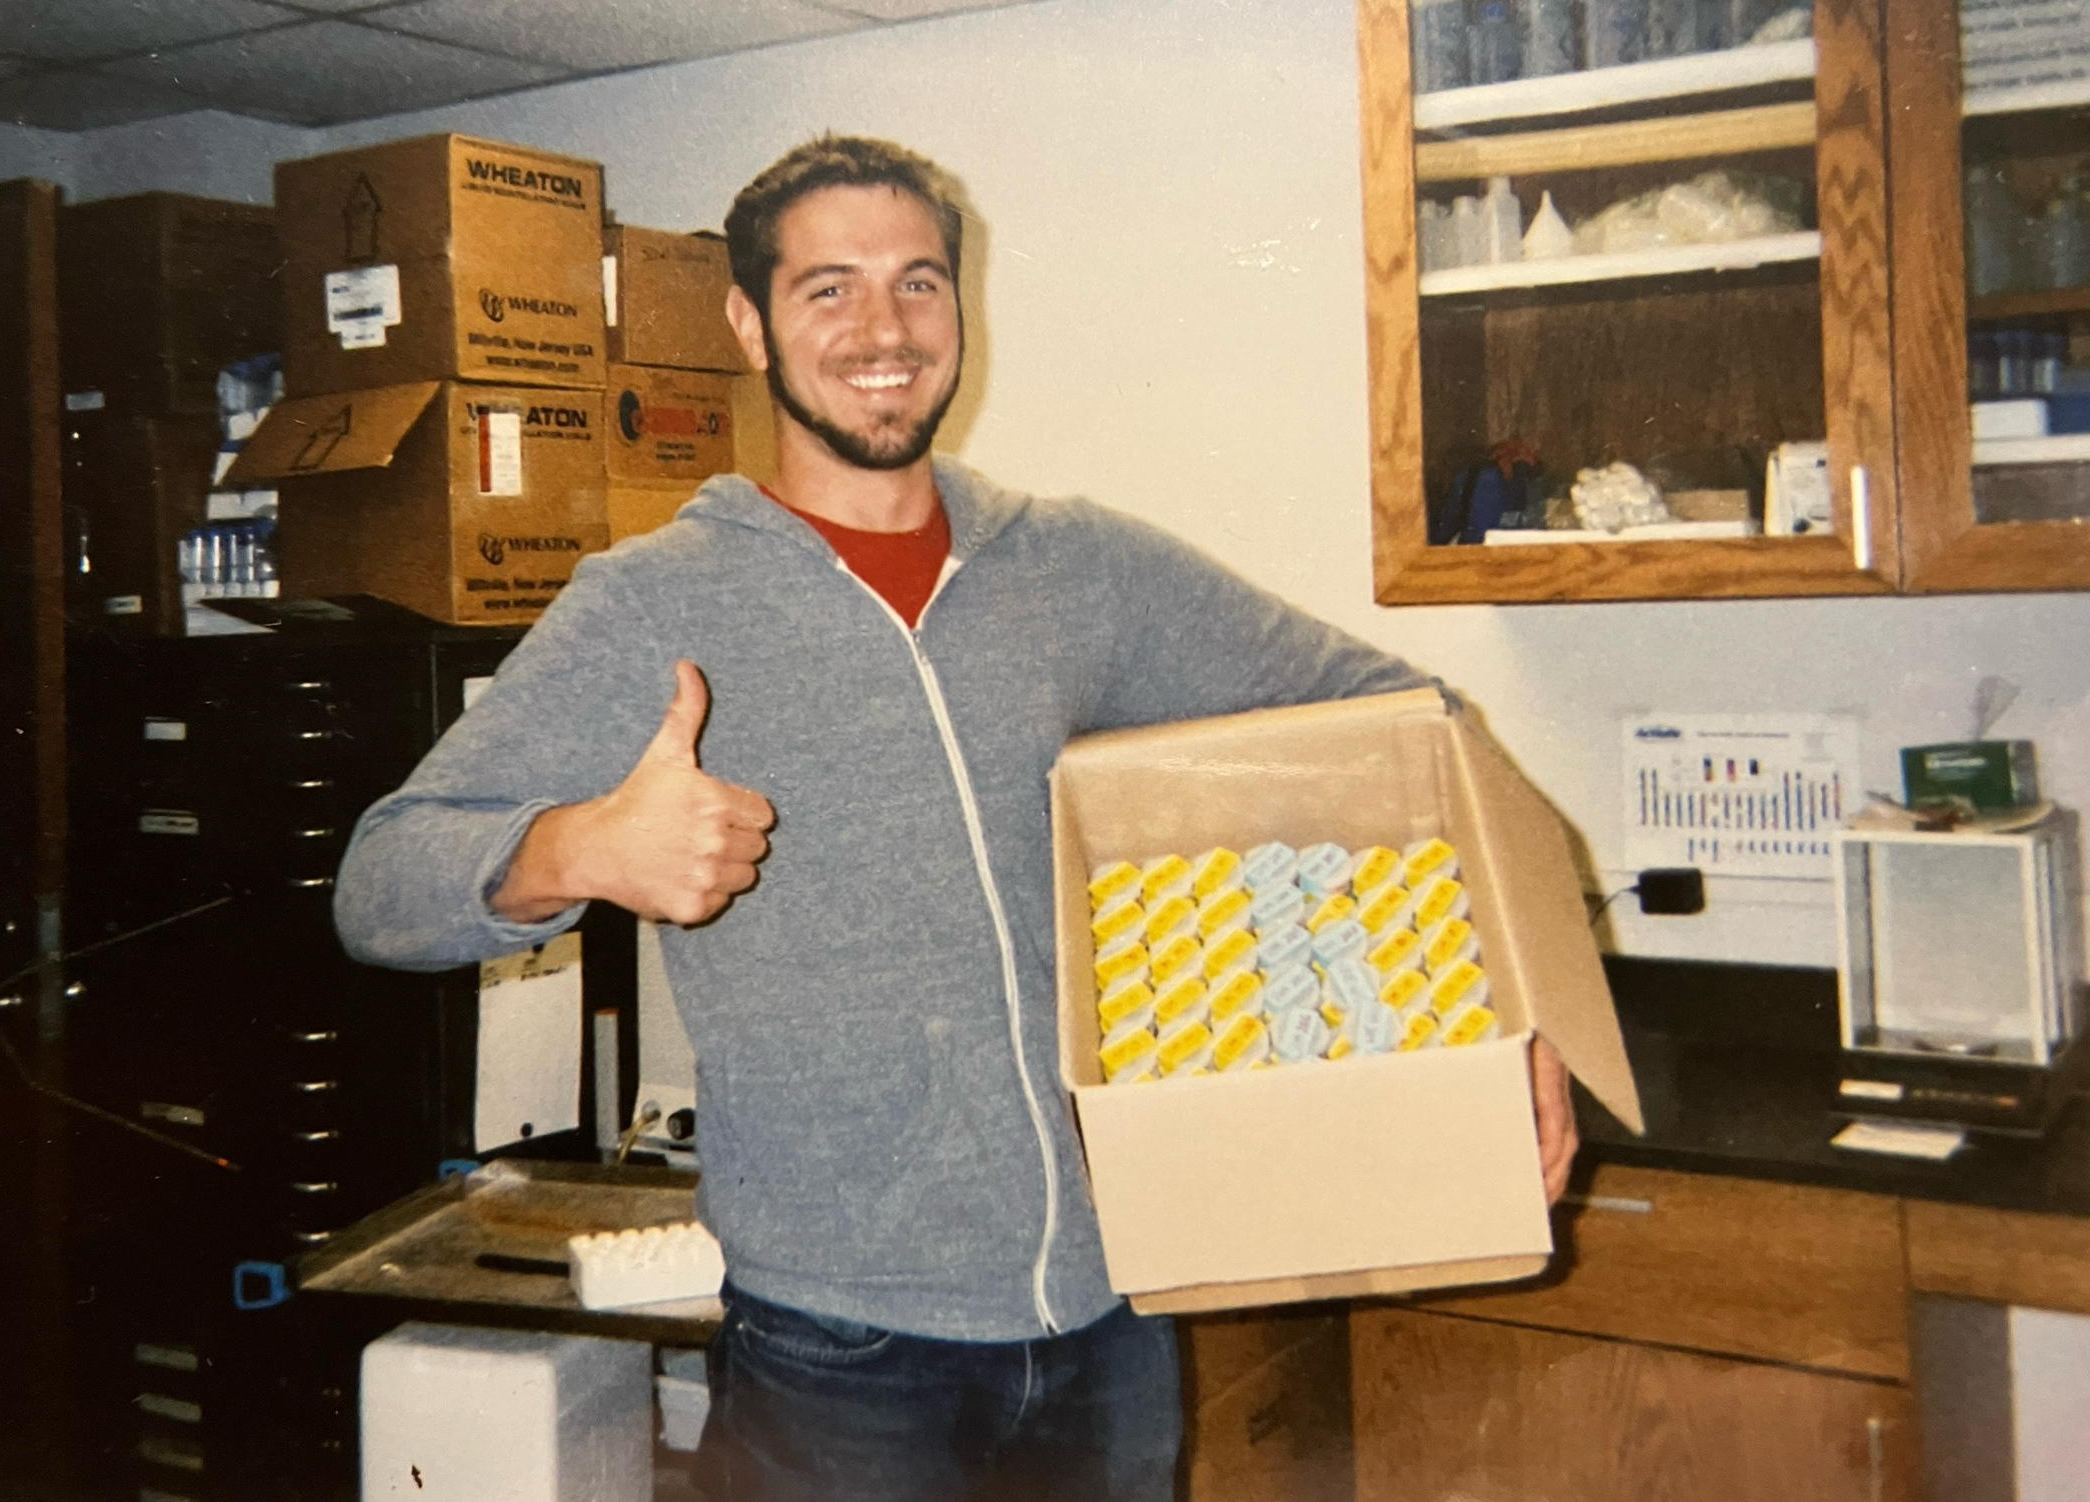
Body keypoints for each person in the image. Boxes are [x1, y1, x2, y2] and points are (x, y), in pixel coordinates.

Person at [334, 135, 1579, 1502]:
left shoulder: (1075, 567)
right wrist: (580, 849)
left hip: (1112, 1321)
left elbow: (1413, 720)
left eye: (920, 284)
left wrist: (1515, 1019)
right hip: (838, 1357)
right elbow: (379, 879)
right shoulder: (652, 601)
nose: (884, 330)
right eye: (830, 289)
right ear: (749, 324)